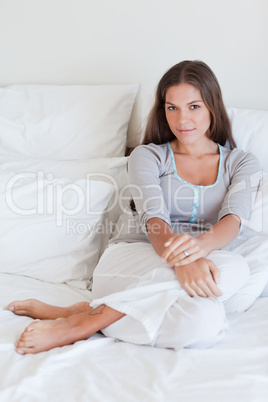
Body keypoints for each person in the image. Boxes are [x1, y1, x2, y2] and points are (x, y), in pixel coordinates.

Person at [7, 60, 261, 354]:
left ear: (212, 106)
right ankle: (78, 327)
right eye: (172, 107)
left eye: (194, 106)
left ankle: (86, 313)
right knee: (229, 269)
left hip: (201, 263)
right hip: (133, 260)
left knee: (209, 316)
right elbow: (154, 219)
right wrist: (182, 261)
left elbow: (234, 220)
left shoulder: (241, 162)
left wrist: (198, 249)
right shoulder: (148, 156)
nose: (182, 119)